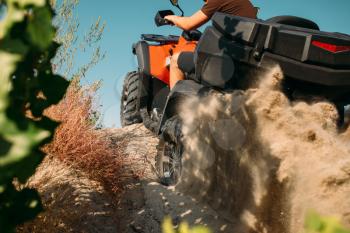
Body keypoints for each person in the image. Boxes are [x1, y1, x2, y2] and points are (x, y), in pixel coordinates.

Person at [165, 0, 257, 89]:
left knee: (175, 60)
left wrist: (172, 18)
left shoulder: (216, 1)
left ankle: (175, 103)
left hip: (228, 65)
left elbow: (188, 24)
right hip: (245, 61)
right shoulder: (241, 3)